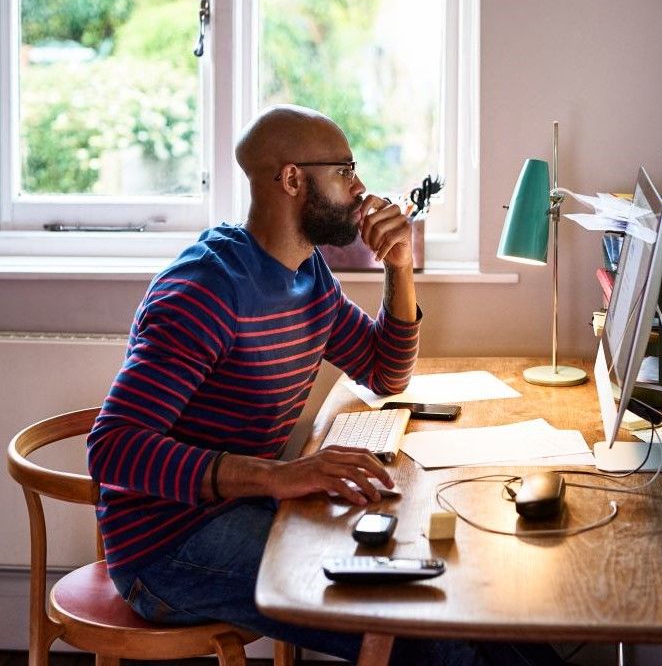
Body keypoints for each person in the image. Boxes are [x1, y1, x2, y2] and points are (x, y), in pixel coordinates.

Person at [87, 105, 562, 666]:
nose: (361, 188)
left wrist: (400, 265)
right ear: (292, 179)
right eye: (345, 170)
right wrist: (278, 475)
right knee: (429, 631)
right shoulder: (206, 292)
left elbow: (385, 373)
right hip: (168, 547)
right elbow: (111, 449)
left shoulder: (308, 275)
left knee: (470, 594)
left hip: (246, 508)